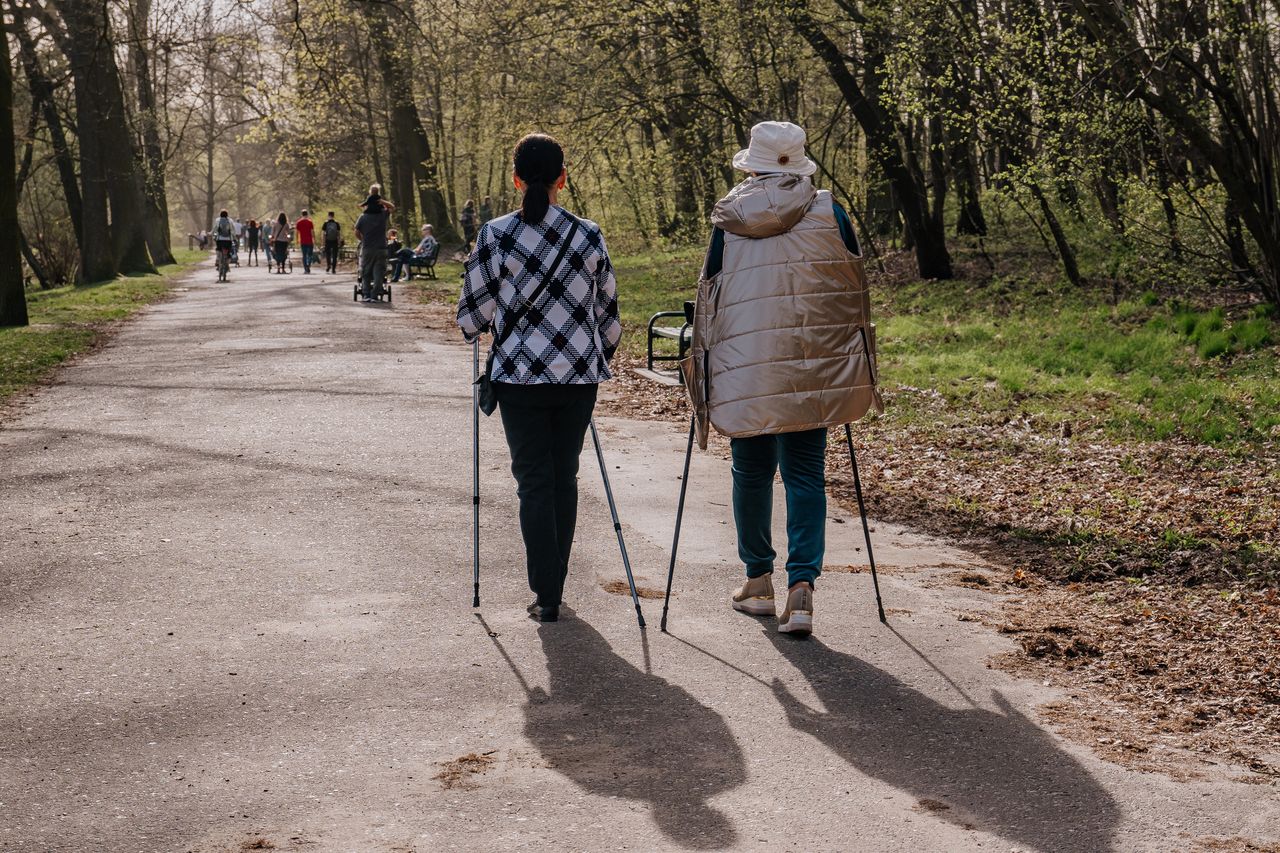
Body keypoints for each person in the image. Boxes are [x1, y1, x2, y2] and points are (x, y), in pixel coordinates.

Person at [684, 121, 882, 637]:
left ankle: (757, 582)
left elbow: (710, 295)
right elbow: (852, 289)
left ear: (751, 166)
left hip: (746, 364)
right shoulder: (830, 211)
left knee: (750, 472)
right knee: (805, 473)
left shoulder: (729, 218)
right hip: (811, 362)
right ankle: (802, 590)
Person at [456, 133, 621, 623]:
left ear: (516, 179)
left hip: (518, 378)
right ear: (562, 180)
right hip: (577, 378)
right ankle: (556, 583)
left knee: (533, 481)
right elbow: (609, 315)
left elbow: (472, 317)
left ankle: (546, 593)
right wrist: (590, 354)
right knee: (564, 475)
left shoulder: (495, 234)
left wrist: (488, 321)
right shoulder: (588, 233)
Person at [355, 185, 393, 301]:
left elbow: (356, 231)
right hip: (381, 247)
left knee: (366, 271)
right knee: (379, 272)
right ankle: (375, 294)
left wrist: (362, 239)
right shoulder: (382, 215)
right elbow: (392, 207)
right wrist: (382, 201)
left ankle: (366, 294)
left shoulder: (363, 217)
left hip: (367, 247)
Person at [211, 209, 235, 276]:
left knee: (218, 250)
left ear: (220, 215)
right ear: (227, 215)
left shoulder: (218, 220)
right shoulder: (230, 221)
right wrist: (235, 238)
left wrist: (210, 233)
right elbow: (233, 230)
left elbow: (215, 229)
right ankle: (227, 264)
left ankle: (218, 260)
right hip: (228, 240)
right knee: (229, 253)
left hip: (220, 240)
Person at [296, 209, 315, 274]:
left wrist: (297, 240)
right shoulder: (310, 222)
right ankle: (308, 266)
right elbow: (312, 232)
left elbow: (297, 232)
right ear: (307, 214)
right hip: (309, 241)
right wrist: (314, 239)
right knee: (310, 255)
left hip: (303, 241)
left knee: (304, 255)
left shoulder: (299, 222)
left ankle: (305, 268)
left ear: (302, 214)